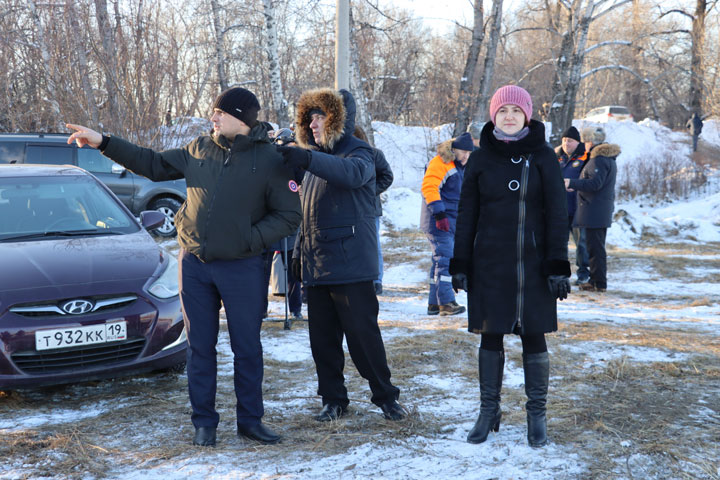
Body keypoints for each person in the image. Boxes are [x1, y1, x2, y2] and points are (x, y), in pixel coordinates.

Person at [66, 87, 302, 447]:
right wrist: (104, 142)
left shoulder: (271, 159)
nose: (213, 117)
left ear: (241, 117)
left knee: (247, 348)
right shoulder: (199, 149)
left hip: (243, 268)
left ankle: (251, 422)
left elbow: (288, 216)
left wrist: (249, 239)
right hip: (195, 265)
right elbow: (153, 163)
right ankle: (204, 424)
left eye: (220, 112)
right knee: (200, 346)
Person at [449, 85, 571, 448]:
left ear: (527, 116)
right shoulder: (482, 158)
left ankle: (537, 415)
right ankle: (489, 411)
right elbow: (466, 213)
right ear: (493, 115)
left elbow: (557, 214)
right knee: (491, 334)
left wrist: (557, 265)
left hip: (533, 266)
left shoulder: (544, 156)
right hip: (490, 264)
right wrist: (461, 262)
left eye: (516, 111)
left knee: (534, 336)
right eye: (503, 111)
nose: (509, 116)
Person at [276, 88, 405, 422]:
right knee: (323, 343)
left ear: (337, 120)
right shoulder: (310, 157)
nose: (313, 124)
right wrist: (298, 255)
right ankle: (333, 399)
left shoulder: (358, 151)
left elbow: (354, 176)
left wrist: (307, 158)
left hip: (351, 266)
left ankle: (387, 398)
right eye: (309, 118)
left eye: (320, 117)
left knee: (364, 340)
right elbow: (306, 210)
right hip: (317, 265)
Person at [420, 132, 473, 316]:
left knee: (439, 260)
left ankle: (434, 303)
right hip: (438, 220)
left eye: (468, 152)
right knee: (446, 260)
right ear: (454, 149)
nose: (465, 155)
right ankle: (446, 302)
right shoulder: (442, 162)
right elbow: (429, 187)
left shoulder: (460, 167)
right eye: (462, 151)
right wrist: (439, 214)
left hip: (449, 220)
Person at [564, 126, 619, 293]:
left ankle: (599, 283)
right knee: (594, 248)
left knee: (595, 249)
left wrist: (572, 183)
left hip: (594, 211)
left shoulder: (598, 160)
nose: (584, 145)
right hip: (597, 210)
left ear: (591, 142)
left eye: (586, 141)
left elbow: (595, 184)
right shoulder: (604, 158)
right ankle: (596, 281)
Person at [353, 125, 394, 296]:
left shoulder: (374, 154)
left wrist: (370, 191)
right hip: (351, 208)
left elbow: (387, 176)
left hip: (370, 208)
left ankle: (376, 280)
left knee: (373, 244)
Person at [555, 126, 590, 285]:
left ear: (577, 142)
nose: (566, 144)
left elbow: (590, 181)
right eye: (563, 141)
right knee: (559, 244)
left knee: (581, 244)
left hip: (578, 208)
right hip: (560, 209)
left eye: (569, 141)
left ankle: (583, 272)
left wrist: (574, 184)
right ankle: (561, 273)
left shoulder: (585, 157)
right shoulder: (557, 158)